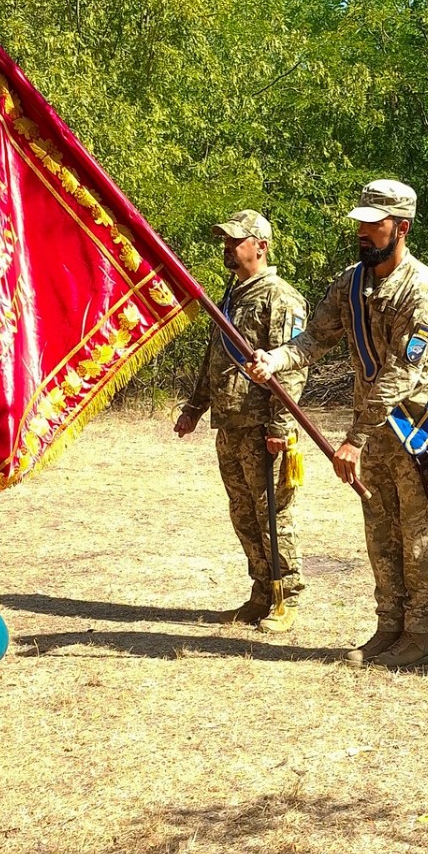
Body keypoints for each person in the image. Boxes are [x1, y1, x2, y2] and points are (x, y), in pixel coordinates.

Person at [249, 179, 428, 670]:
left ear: (400, 228)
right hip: (372, 436)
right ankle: (388, 627)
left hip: (416, 434)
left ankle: (420, 635)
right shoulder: (351, 283)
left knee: (420, 537)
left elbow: (402, 374)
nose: (362, 232)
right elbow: (314, 339)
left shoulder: (423, 290)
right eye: (360, 223)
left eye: (373, 224)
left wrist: (354, 438)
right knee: (381, 533)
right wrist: (275, 360)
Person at [174, 210, 309, 633]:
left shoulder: (280, 298)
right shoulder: (231, 297)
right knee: (243, 514)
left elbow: (291, 368)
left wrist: (281, 427)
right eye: (226, 241)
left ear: (261, 246)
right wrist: (195, 407)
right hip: (230, 424)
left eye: (236, 241)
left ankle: (287, 596)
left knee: (274, 515)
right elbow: (213, 360)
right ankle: (260, 592)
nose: (229, 248)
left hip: (262, 428)